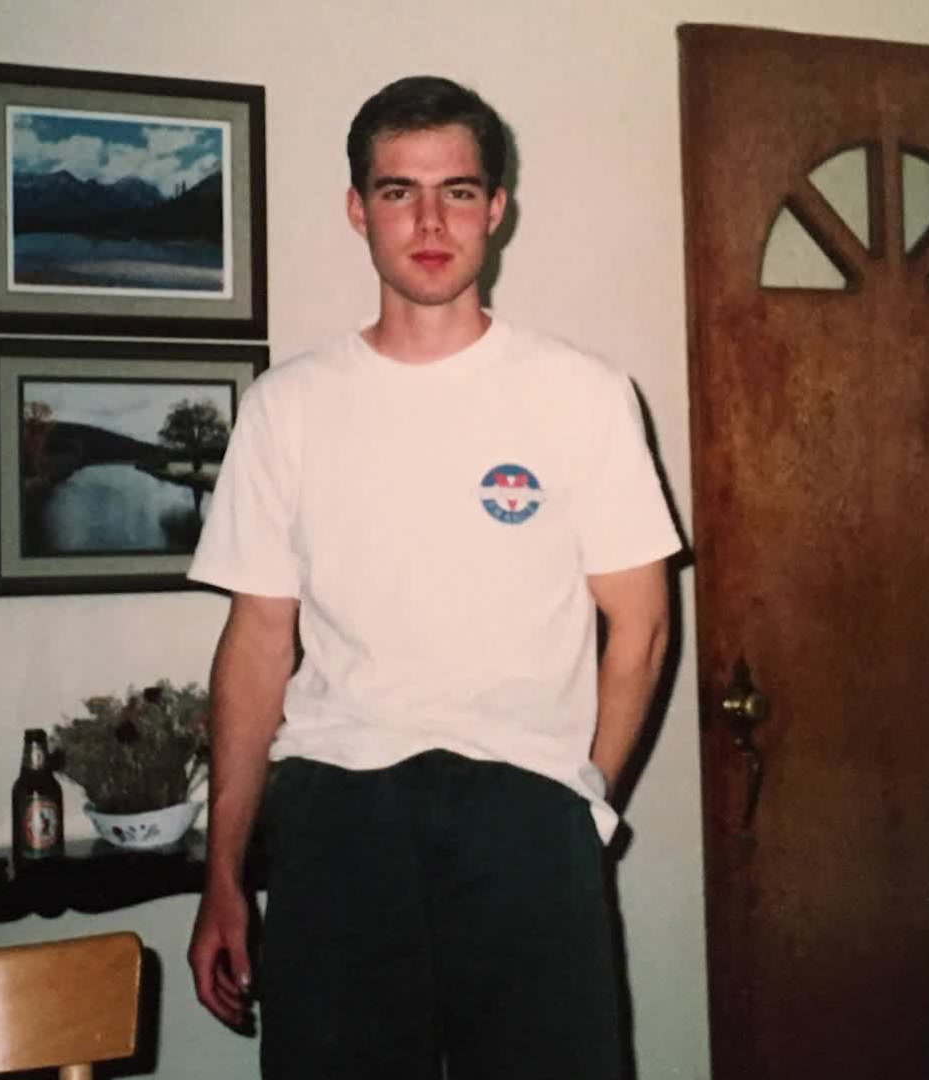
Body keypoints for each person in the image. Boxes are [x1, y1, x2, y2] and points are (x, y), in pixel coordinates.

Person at [185, 74, 680, 1080]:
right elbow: (257, 643)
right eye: (398, 191)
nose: (429, 222)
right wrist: (223, 872)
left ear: (495, 208)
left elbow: (643, 626)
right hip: (338, 812)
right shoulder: (288, 406)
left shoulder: (582, 394)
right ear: (357, 209)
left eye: (456, 191)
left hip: (527, 809)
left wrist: (585, 803)